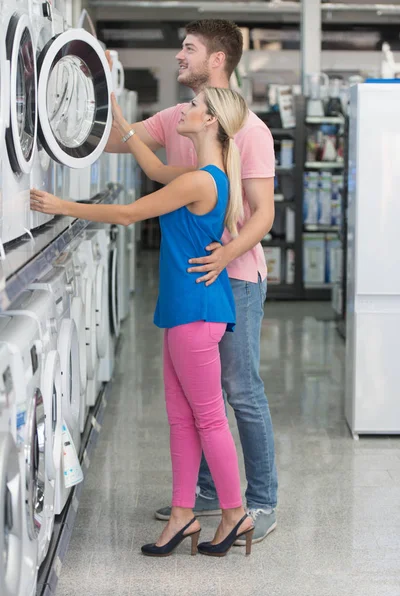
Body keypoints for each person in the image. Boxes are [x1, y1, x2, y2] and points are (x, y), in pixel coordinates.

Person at [31, 87, 256, 557]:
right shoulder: (201, 174)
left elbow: (131, 213)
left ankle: (235, 513)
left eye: (194, 106)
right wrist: (126, 124)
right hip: (185, 310)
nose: (185, 109)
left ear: (210, 121)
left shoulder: (202, 180)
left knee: (208, 417)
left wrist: (62, 206)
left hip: (196, 314)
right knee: (181, 417)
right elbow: (153, 170)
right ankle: (182, 515)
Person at [105, 19, 278, 545]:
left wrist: (224, 254)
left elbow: (263, 213)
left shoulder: (250, 129)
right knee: (198, 394)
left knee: (239, 390)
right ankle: (204, 496)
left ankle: (261, 500)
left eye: (189, 49)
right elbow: (136, 151)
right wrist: (58, 123)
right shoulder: (182, 116)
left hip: (238, 276)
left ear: (218, 60)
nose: (179, 56)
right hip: (196, 281)